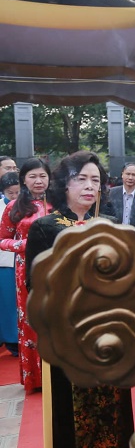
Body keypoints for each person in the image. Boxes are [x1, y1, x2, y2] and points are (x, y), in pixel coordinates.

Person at [26, 151, 133, 448]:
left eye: (95, 180)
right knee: (71, 416)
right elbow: (35, 285)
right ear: (64, 184)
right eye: (81, 179)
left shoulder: (112, 225)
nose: (89, 186)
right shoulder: (45, 227)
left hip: (110, 334)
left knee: (113, 412)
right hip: (68, 336)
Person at [0, 158, 51, 393]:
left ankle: (59, 374)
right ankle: (36, 378)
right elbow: (2, 239)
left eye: (42, 176)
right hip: (26, 270)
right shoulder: (15, 207)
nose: (38, 181)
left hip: (56, 267)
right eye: (33, 176)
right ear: (23, 179)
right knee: (31, 321)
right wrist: (24, 245)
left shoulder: (59, 203)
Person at [0, 173, 20, 356]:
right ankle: (10, 339)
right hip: (4, 260)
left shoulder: (28, 206)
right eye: (10, 193)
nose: (14, 196)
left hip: (23, 259)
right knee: (7, 303)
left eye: (17, 192)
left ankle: (17, 339)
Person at [108, 162, 135, 229]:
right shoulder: (111, 193)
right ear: (122, 175)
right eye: (128, 174)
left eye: (134, 175)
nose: (130, 177)